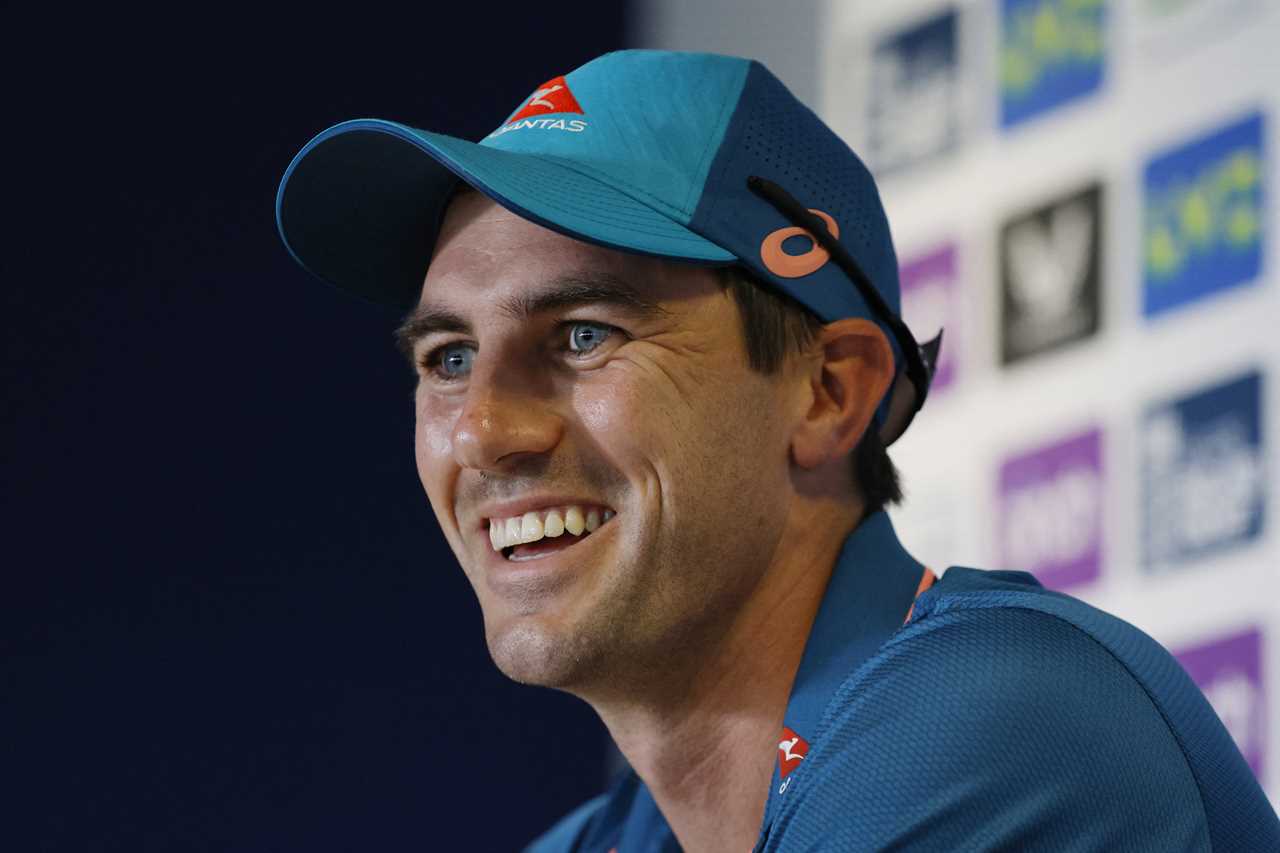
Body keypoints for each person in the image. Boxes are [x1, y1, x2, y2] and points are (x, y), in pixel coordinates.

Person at [276, 50, 1279, 852]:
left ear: (828, 391)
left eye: (584, 335)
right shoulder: (612, 835)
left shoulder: (999, 730)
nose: (484, 428)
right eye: (448, 356)